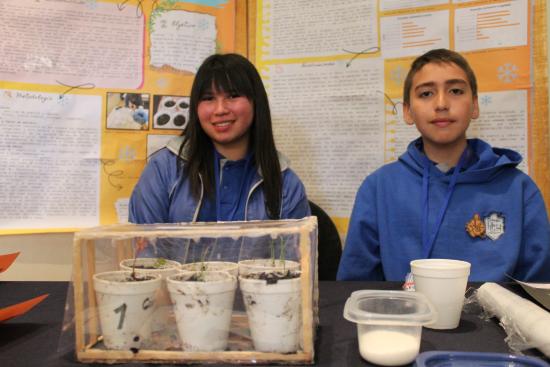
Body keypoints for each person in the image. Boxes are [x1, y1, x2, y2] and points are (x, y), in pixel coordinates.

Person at [337, 48, 550, 282]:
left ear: (475, 106)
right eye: (426, 94)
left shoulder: (518, 189)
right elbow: (356, 284)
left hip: (497, 318)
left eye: (456, 91)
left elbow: (539, 287)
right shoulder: (379, 187)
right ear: (407, 111)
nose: (441, 103)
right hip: (405, 316)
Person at [128, 53, 310, 259]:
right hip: (175, 291)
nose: (220, 109)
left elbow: (292, 269)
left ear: (255, 102)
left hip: (255, 292)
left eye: (232, 96)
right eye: (208, 98)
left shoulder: (285, 184)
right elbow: (145, 258)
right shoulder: (163, 169)